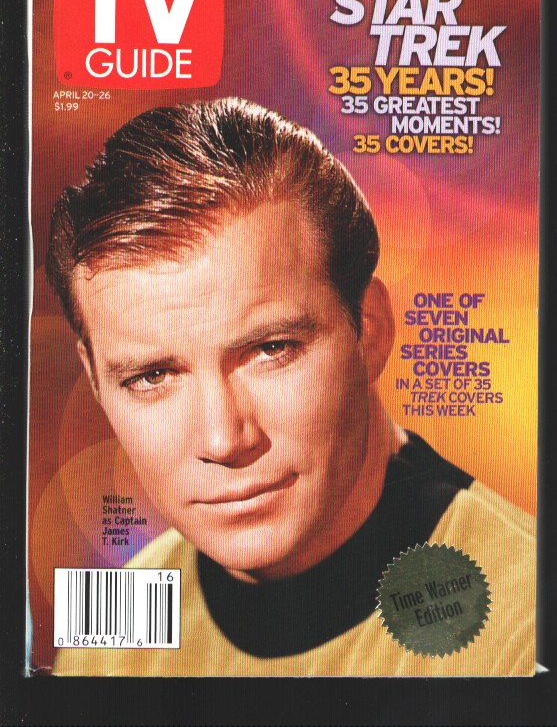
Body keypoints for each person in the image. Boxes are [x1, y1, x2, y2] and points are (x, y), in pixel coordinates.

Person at [48, 98, 534, 676]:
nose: (224, 440)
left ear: (370, 330)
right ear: (96, 382)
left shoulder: (524, 622)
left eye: (270, 349)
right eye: (153, 376)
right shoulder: (108, 640)